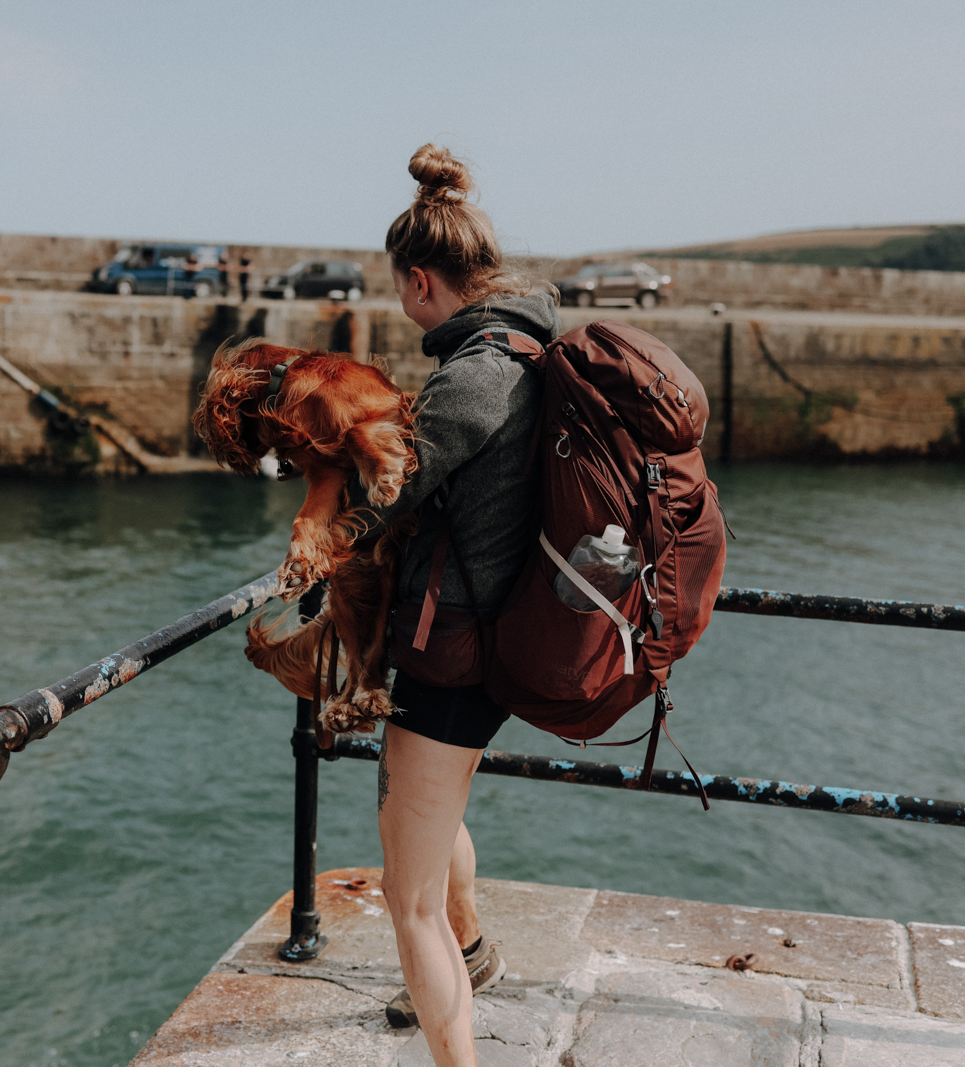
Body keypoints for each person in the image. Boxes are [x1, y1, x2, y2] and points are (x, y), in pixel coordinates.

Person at [352, 144, 560, 1067]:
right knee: (435, 821)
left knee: (409, 901)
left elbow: (385, 492)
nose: (402, 302)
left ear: (423, 279)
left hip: (454, 652)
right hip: (494, 632)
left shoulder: (475, 373)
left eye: (402, 287)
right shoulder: (533, 340)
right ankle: (474, 954)